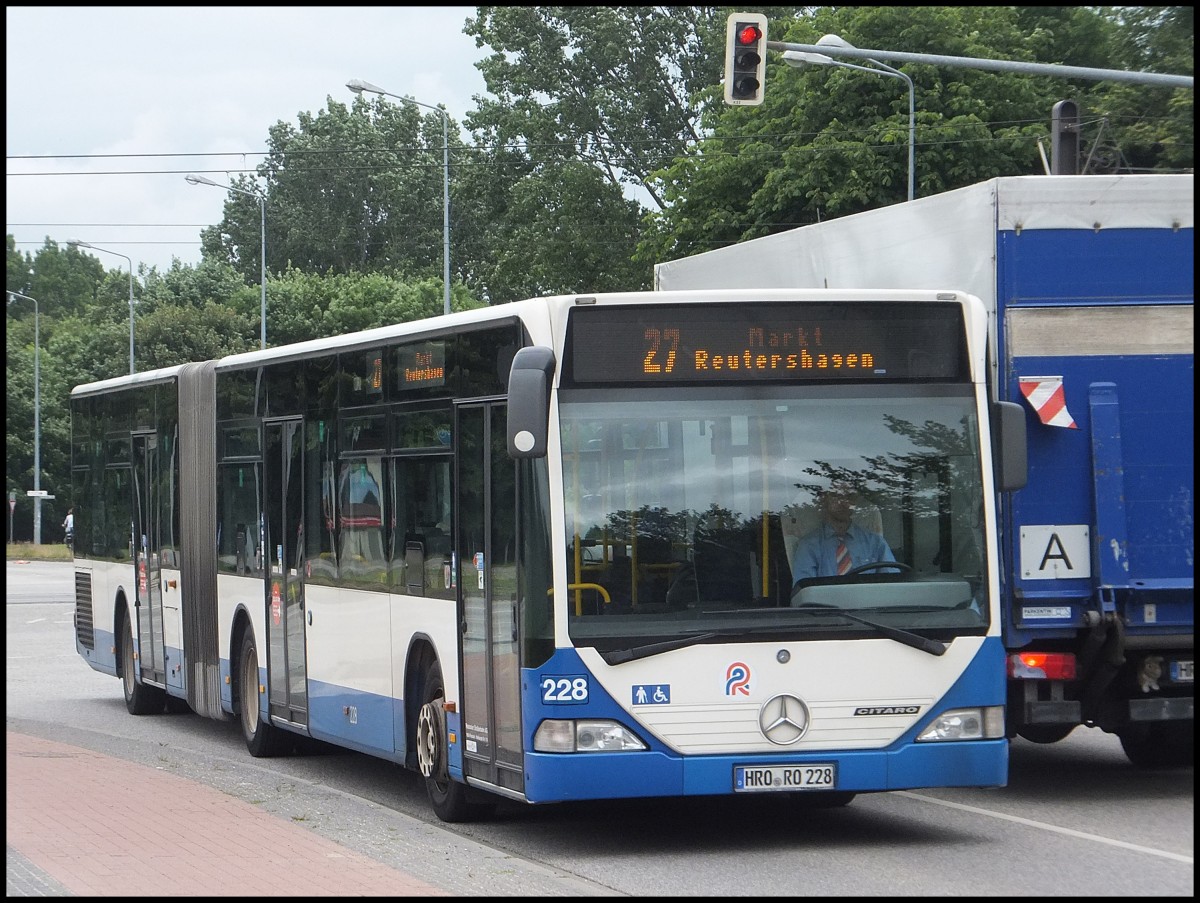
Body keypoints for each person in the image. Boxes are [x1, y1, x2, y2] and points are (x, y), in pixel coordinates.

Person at [790, 483, 896, 582]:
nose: (843, 502)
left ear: (856, 500)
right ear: (824, 498)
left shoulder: (875, 543)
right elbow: (805, 594)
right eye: (836, 495)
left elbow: (893, 587)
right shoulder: (808, 546)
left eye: (849, 496)